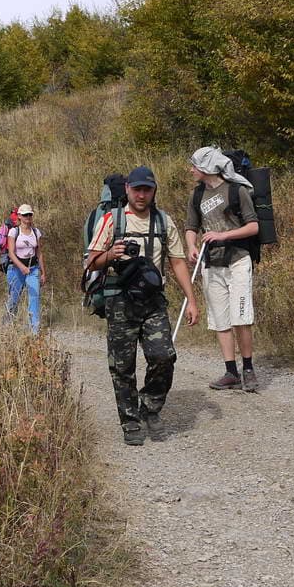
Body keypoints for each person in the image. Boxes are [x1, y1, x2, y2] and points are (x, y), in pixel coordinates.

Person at [86, 166, 199, 446]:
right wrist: (110, 254)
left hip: (153, 301)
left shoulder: (163, 221)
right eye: (136, 189)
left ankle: (149, 407)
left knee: (164, 356)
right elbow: (91, 262)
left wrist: (191, 300)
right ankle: (130, 422)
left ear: (153, 191)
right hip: (120, 301)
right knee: (122, 366)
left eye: (146, 189)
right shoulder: (112, 220)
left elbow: (177, 261)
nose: (141, 195)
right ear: (127, 189)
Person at [184, 147, 260, 392]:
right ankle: (231, 372)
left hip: (238, 260)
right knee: (220, 320)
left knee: (241, 317)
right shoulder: (197, 195)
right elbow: (191, 226)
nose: (191, 170)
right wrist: (191, 246)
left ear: (207, 167)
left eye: (194, 165)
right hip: (212, 264)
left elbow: (253, 227)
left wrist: (222, 235)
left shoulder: (237, 191)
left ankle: (248, 369)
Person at [5, 203, 46, 334]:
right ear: (19, 216)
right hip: (16, 269)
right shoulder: (14, 232)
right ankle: (7, 325)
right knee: (14, 298)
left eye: (30, 214)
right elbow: (11, 253)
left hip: (33, 269)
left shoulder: (36, 232)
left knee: (35, 296)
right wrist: (21, 267)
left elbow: (39, 252)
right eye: (25, 215)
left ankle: (34, 329)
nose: (28, 217)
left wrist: (43, 272)